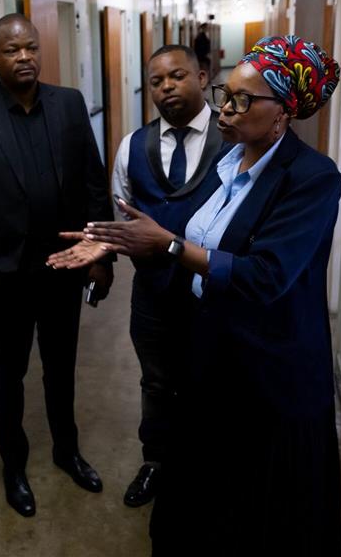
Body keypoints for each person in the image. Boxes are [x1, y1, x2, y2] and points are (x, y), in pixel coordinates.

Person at [49, 35, 341, 555]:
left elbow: (265, 275)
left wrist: (165, 244)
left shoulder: (312, 178)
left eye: (241, 101)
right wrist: (113, 241)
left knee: (259, 511)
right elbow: (189, 230)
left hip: (270, 371)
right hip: (214, 357)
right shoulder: (230, 165)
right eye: (226, 96)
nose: (225, 110)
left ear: (283, 113)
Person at [0, 14, 113, 518]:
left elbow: (92, 183)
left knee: (61, 367)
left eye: (31, 48)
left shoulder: (69, 104)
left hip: (66, 266)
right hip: (9, 273)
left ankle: (67, 451)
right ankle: (13, 466)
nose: (25, 57)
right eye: (12, 50)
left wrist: (100, 252)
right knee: (10, 374)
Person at [110, 44, 229, 508]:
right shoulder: (132, 145)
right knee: (157, 382)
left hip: (215, 291)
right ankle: (156, 462)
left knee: (213, 378)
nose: (166, 87)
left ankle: (207, 469)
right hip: (153, 294)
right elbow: (122, 209)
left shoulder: (233, 136)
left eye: (177, 76)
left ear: (202, 77)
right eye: (157, 81)